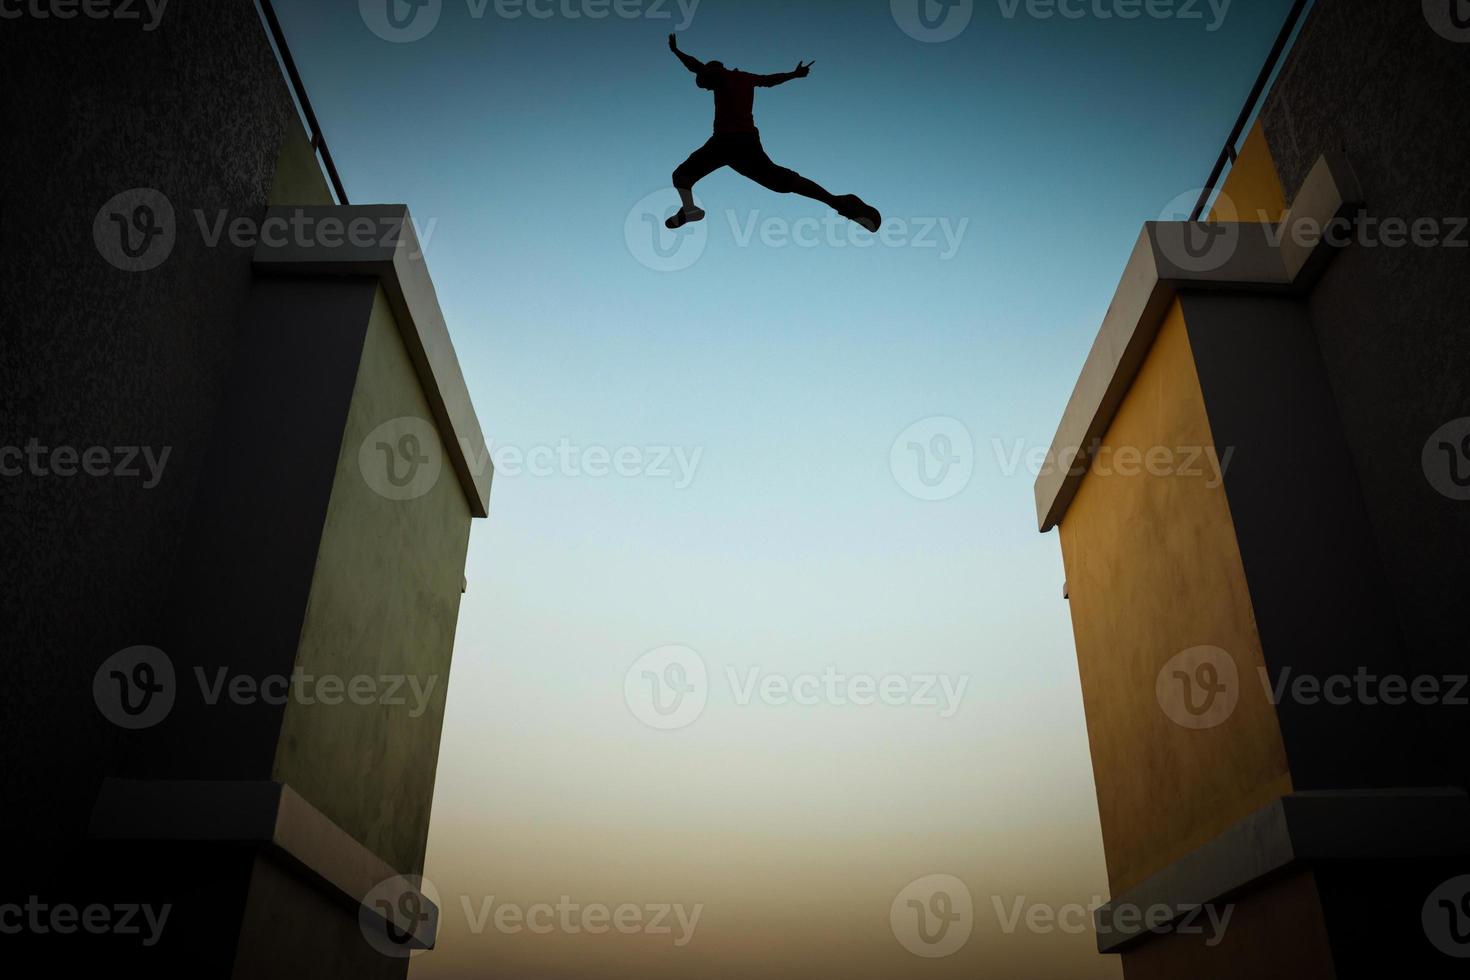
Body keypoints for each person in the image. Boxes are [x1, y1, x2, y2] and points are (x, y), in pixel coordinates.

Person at [664, 33, 882, 234]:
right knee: (780, 181)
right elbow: (770, 80)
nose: (706, 88)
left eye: (705, 85)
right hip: (744, 143)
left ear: (713, 71)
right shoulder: (746, 78)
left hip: (725, 143)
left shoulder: (720, 76)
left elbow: (695, 66)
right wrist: (794, 74)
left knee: (681, 176)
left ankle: (690, 208)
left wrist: (676, 52)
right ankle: (837, 201)